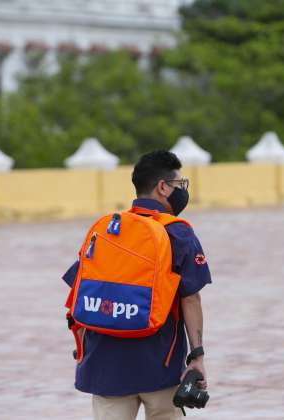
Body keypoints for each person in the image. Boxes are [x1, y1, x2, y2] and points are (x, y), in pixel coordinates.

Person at [62, 150, 211, 420]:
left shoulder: (108, 230)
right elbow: (191, 299)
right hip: (160, 368)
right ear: (163, 187)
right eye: (179, 184)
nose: (182, 190)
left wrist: (86, 347)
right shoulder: (178, 232)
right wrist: (197, 356)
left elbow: (80, 292)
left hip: (106, 367)